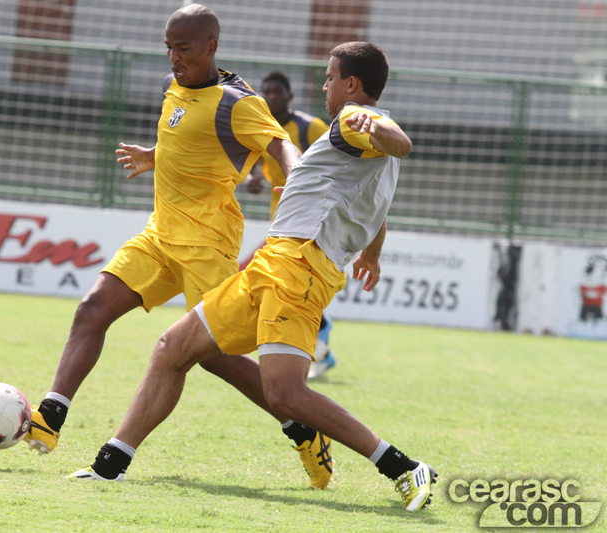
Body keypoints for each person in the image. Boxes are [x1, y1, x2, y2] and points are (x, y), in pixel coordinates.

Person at [74, 42, 438, 512]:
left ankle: (405, 468)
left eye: (330, 78)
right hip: (273, 263)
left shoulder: (354, 120)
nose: (324, 86)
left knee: (284, 394)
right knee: (173, 350)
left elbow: (400, 142)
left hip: (299, 268)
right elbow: (376, 206)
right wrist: (372, 253)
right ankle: (109, 465)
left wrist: (383, 127)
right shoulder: (359, 143)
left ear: (352, 85)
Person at [24, 4, 336, 490]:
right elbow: (187, 137)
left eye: (183, 48)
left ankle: (302, 427)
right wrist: (156, 156)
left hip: (207, 243)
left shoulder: (238, 101)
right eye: (169, 47)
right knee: (91, 309)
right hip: (159, 233)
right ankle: (50, 415)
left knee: (213, 355)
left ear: (210, 46)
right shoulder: (177, 85)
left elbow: (279, 145)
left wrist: (296, 179)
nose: (173, 56)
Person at [244, 71, 336, 378]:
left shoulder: (311, 128)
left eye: (276, 91)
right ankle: (318, 343)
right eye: (265, 91)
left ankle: (318, 345)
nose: (270, 97)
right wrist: (254, 180)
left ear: (290, 96)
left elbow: (334, 166)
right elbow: (255, 166)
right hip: (280, 222)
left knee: (293, 286)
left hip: (312, 223)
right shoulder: (262, 129)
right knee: (284, 287)